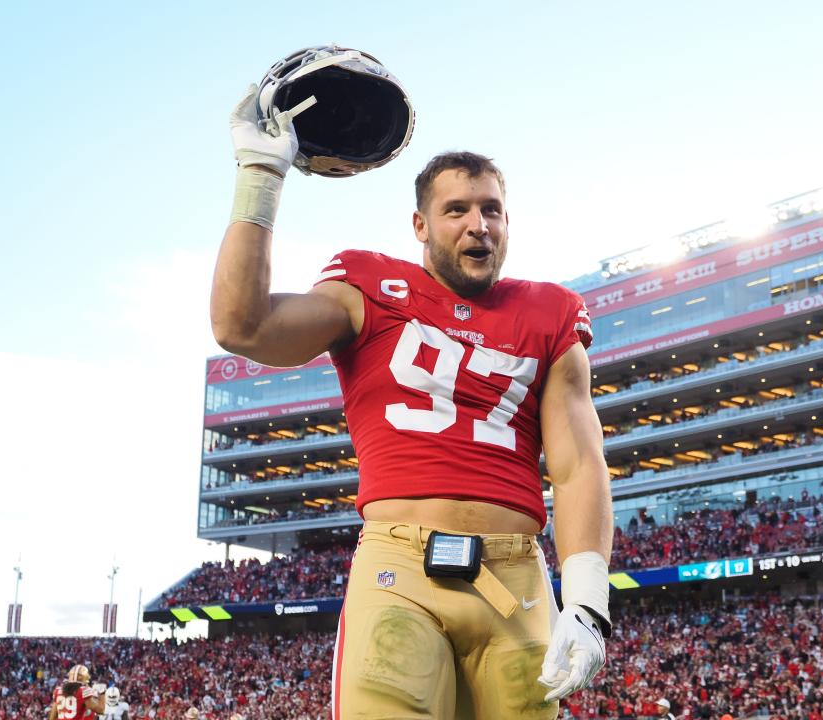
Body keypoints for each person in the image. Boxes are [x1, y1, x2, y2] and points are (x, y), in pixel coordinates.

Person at [212, 86, 614, 719]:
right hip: (400, 571)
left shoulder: (551, 311)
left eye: (493, 210)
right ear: (420, 225)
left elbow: (578, 463)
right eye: (457, 210)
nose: (478, 225)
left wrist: (588, 598)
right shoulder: (369, 285)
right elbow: (244, 328)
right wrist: (261, 177)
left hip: (516, 581)